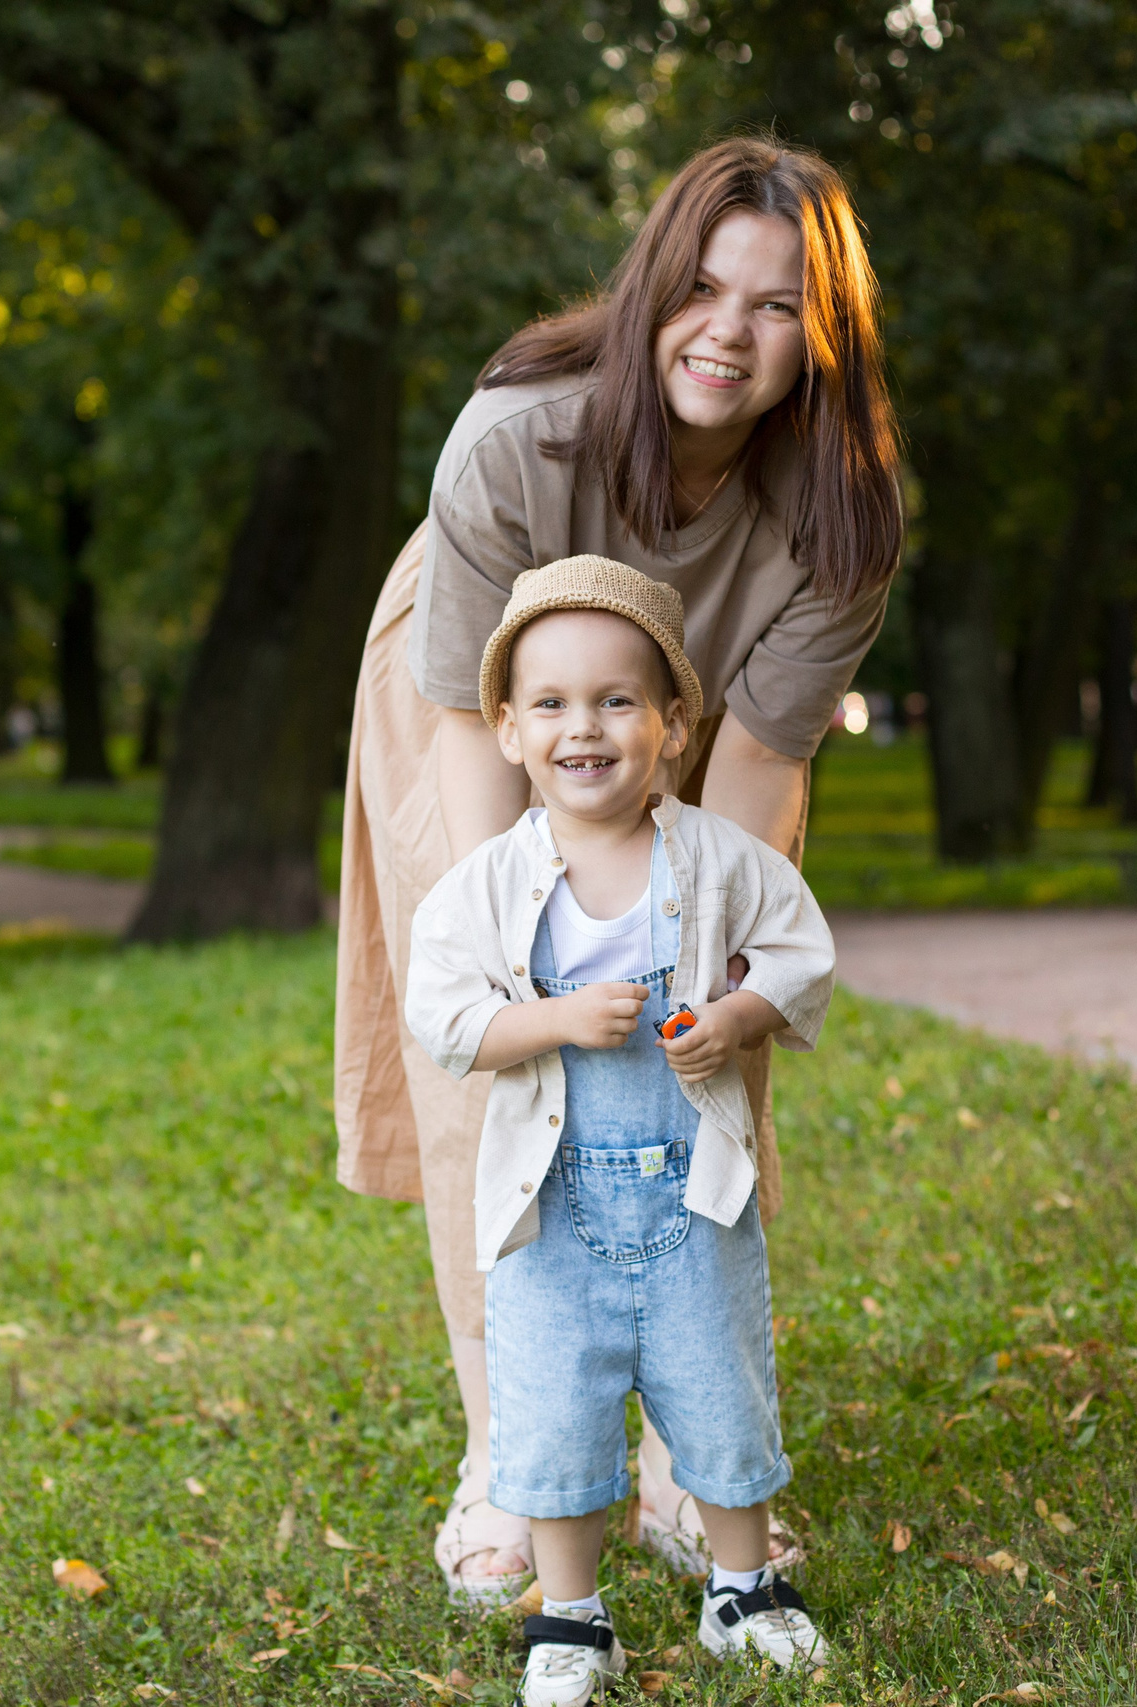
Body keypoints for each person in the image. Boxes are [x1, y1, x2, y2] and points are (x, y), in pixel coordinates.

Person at [333, 135, 902, 1600]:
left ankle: (696, 1462)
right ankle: (513, 1454)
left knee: (706, 1029)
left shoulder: (842, 517)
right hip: (485, 695)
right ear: (652, 289)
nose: (730, 329)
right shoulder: (521, 434)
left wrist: (719, 947)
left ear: (823, 333)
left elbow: (763, 762)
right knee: (507, 1044)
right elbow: (471, 710)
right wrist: (511, 932)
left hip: (682, 701)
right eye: (703, 289)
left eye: (778, 305)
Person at [404, 558, 838, 1705]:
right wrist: (547, 1019)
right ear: (505, 730)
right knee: (552, 1409)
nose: (581, 728)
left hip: (694, 1193)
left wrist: (737, 1017)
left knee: (719, 1385)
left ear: (673, 723)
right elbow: (441, 1015)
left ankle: (742, 1587)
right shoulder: (486, 887)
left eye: (614, 700)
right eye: (548, 704)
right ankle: (570, 1616)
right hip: (552, 1209)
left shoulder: (717, 860)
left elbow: (800, 953)